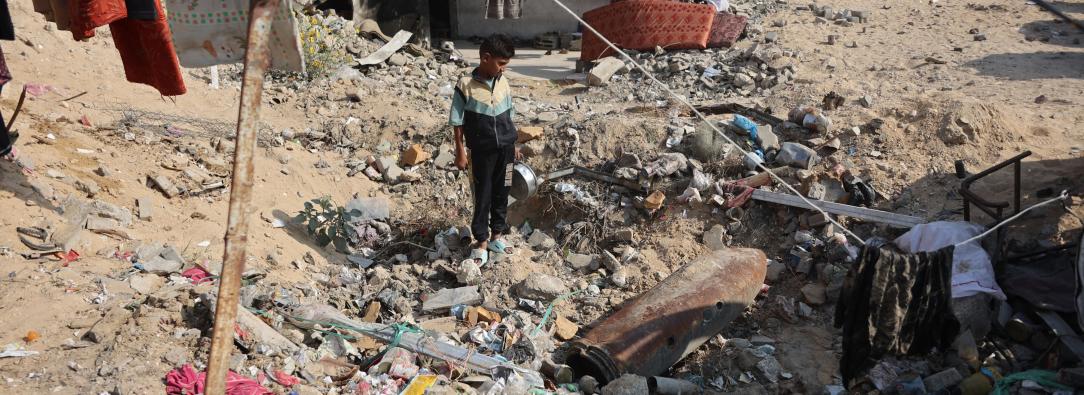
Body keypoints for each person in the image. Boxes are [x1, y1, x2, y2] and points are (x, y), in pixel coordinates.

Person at [448, 34, 521, 265]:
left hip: (506, 150)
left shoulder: (503, 81)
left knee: (503, 192)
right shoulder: (465, 86)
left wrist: (514, 143)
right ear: (485, 58)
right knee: (483, 196)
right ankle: (481, 242)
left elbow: (509, 114)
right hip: (481, 153)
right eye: (501, 64)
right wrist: (460, 151)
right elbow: (457, 122)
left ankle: (497, 235)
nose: (503, 69)